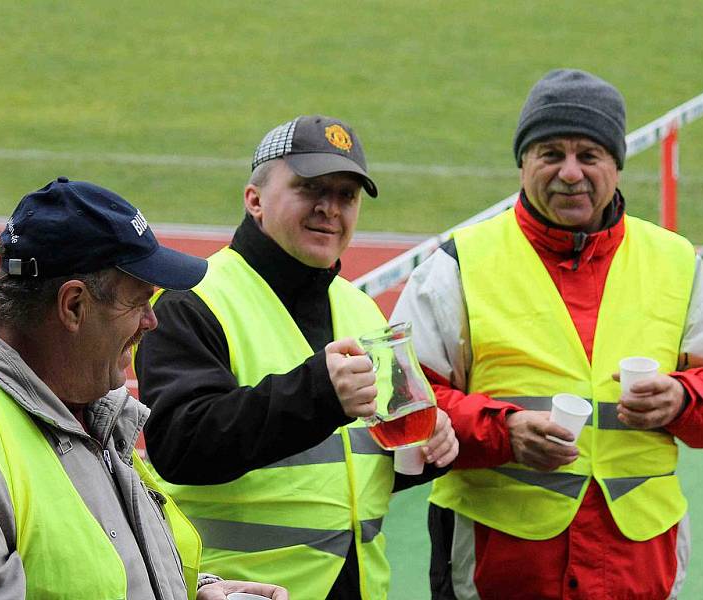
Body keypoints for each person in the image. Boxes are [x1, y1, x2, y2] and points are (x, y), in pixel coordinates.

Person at [391, 69, 703, 600]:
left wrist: (683, 399)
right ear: (522, 163)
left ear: (616, 164)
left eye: (589, 155)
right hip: (500, 568)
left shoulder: (675, 262)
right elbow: (401, 400)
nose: (571, 173)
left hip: (635, 569)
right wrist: (505, 432)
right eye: (550, 154)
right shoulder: (457, 265)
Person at [134, 115, 459, 599]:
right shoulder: (193, 300)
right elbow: (181, 446)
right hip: (241, 591)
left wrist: (426, 451)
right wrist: (319, 393)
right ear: (255, 200)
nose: (330, 208)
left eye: (346, 196)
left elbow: (345, 473)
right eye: (310, 188)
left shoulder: (361, 308)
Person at [0, 177, 288, 600]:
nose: (151, 320)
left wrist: (196, 592)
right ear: (74, 306)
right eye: (137, 301)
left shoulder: (92, 407)